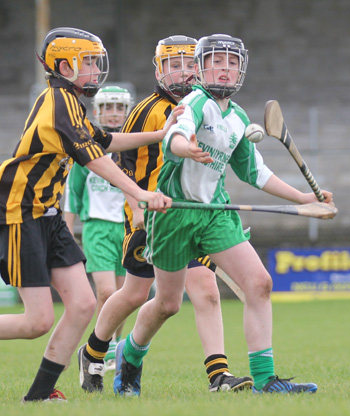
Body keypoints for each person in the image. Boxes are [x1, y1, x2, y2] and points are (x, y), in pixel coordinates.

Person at [0, 27, 174, 403]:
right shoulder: (56, 102)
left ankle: (40, 394)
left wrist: (159, 136)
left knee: (84, 304)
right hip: (18, 208)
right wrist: (139, 193)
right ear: (64, 66)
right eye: (87, 63)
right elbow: (94, 158)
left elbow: (105, 140)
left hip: (47, 210)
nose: (94, 70)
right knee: (36, 321)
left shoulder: (72, 104)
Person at [113, 33, 334, 396]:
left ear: (241, 69)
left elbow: (256, 173)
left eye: (232, 62)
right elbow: (174, 138)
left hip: (215, 213)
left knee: (259, 284)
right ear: (200, 67)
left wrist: (305, 198)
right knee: (168, 304)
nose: (225, 69)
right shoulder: (194, 103)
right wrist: (188, 149)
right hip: (173, 216)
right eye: (217, 61)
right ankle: (130, 357)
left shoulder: (238, 118)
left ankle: (266, 380)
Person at [77, 35, 253, 396]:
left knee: (206, 289)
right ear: (159, 69)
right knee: (141, 296)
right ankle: (94, 352)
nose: (184, 73)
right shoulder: (147, 111)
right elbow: (121, 166)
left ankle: (218, 375)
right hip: (149, 217)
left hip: (191, 217)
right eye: (174, 65)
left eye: (190, 65)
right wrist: (137, 206)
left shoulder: (204, 105)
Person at [64, 86, 134, 371]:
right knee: (106, 293)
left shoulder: (134, 148)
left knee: (124, 295)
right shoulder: (86, 149)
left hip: (128, 228)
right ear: (96, 112)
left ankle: (113, 348)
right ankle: (100, 349)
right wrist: (67, 235)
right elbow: (71, 195)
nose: (113, 113)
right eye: (108, 107)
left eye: (119, 107)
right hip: (97, 229)